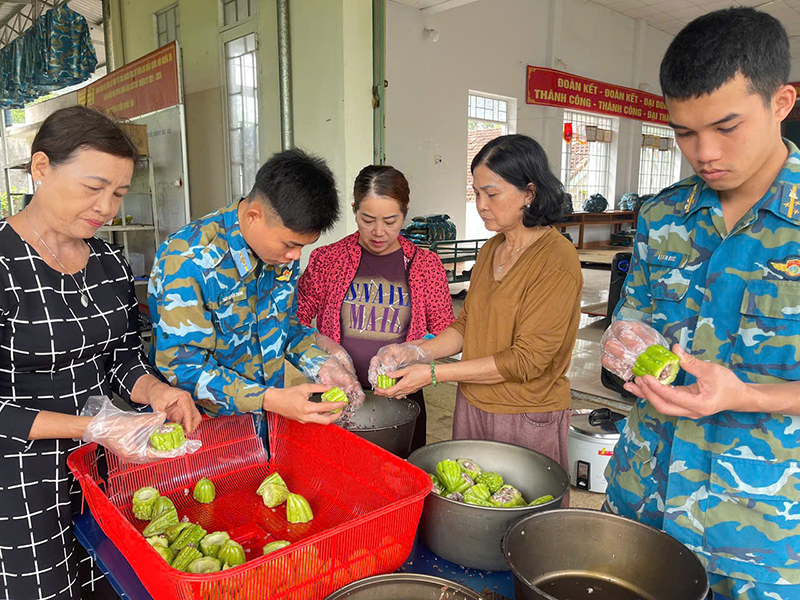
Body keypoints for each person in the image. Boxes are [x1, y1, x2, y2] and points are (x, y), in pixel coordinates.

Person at [600, 8, 800, 600]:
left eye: (726, 126)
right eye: (684, 132)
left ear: (782, 102)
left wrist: (748, 396)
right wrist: (622, 342)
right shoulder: (663, 215)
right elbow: (631, 320)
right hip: (643, 497)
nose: (703, 152)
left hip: (763, 534)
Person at [0, 106, 202, 600]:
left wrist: (155, 391)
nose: (106, 207)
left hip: (102, 466)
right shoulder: (5, 263)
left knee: (112, 581)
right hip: (21, 480)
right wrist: (89, 427)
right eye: (93, 188)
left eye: (118, 193)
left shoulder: (109, 261)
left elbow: (122, 357)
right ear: (41, 168)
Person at [371, 134, 582, 488]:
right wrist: (416, 352)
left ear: (529, 193)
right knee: (469, 503)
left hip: (524, 413)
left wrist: (434, 374)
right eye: (476, 193)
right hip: (472, 404)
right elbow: (468, 325)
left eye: (492, 194)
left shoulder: (556, 261)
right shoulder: (491, 250)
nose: (481, 205)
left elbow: (527, 361)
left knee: (521, 511)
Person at [148, 148, 363, 428]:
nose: (296, 256)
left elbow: (283, 326)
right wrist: (269, 399)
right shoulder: (187, 260)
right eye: (290, 245)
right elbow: (183, 368)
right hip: (202, 427)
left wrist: (320, 363)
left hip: (265, 423)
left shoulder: (279, 255)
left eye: (303, 246)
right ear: (253, 216)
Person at [296, 165, 454, 451]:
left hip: (402, 395)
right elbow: (294, 319)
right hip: (334, 394)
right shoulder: (328, 260)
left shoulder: (426, 266)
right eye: (367, 220)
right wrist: (325, 345)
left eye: (391, 221)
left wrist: (415, 353)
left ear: (405, 213)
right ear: (354, 210)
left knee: (399, 470)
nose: (378, 232)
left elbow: (447, 333)